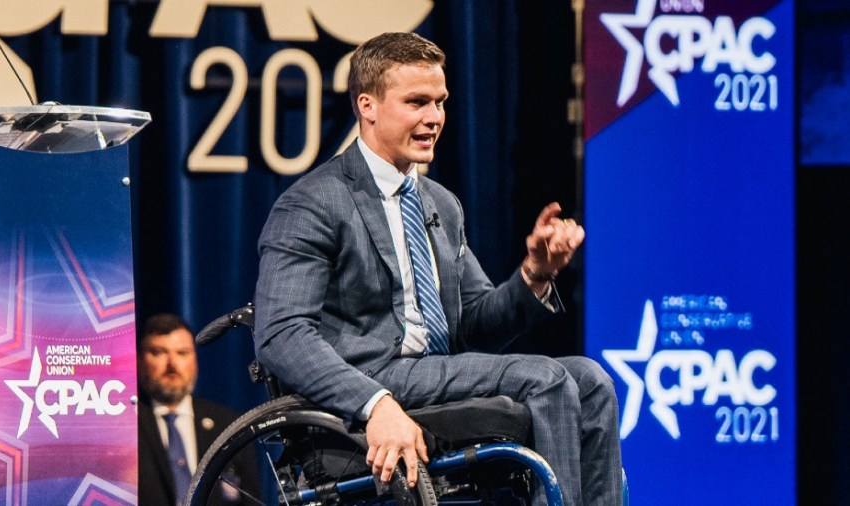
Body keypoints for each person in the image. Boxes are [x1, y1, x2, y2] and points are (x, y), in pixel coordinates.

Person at [253, 31, 622, 506]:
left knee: (591, 379)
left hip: (437, 373)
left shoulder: (440, 204)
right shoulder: (312, 203)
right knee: (546, 380)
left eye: (441, 103)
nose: (434, 118)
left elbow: (473, 326)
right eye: (417, 103)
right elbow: (282, 335)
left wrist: (534, 273)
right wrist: (374, 403)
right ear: (368, 106)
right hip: (372, 376)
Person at [136, 313, 259, 505]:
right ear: (139, 360)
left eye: (182, 353)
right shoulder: (126, 425)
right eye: (159, 352)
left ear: (195, 359)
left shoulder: (229, 425)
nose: (172, 364)